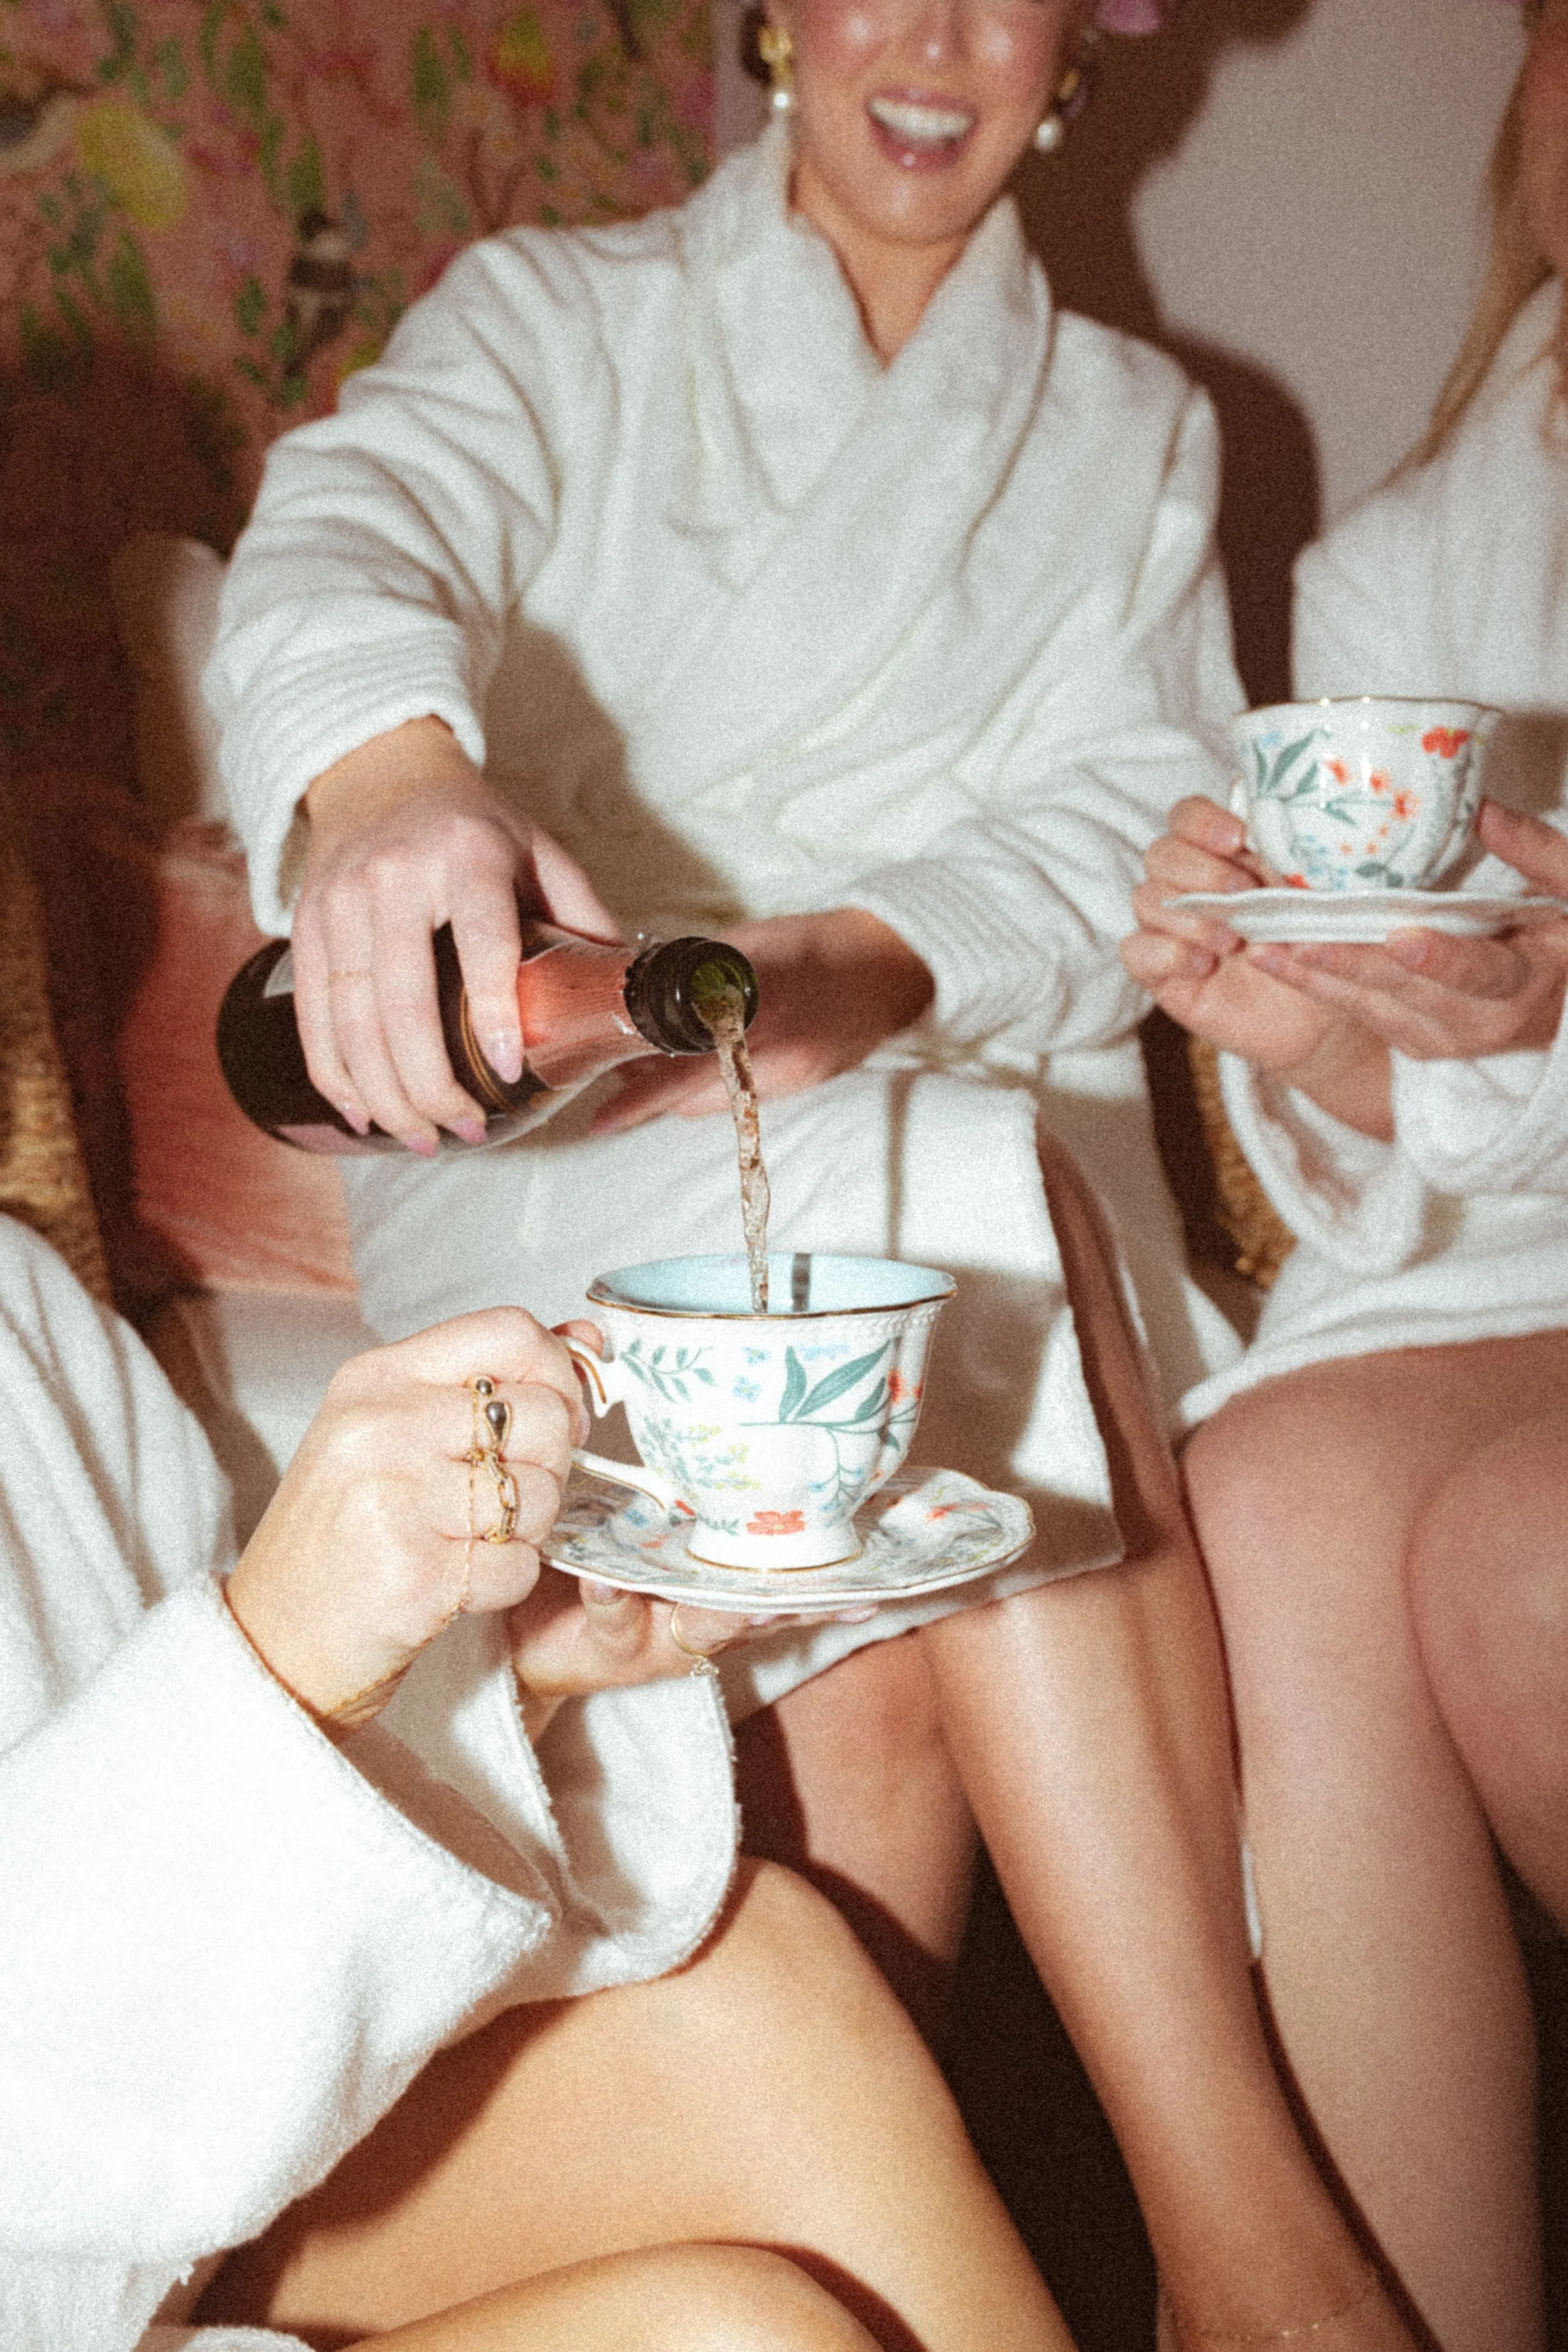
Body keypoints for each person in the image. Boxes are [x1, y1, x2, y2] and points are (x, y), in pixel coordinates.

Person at [204, 0, 1417, 2340]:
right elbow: (359, 520)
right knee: (933, 1204)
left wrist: (845, 967)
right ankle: (1254, 2249)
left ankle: (908, 2253)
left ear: (1093, 33)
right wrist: (386, 788)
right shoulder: (561, 317)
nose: (939, 31)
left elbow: (1112, 832)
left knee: (891, 1579)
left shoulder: (1142, 434)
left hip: (928, 1097)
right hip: (560, 1153)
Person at [0, 1206, 1073, 2352]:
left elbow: (192, 1911)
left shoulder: (23, 1303)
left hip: (111, 2228)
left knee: (762, 1969)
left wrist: (490, 1676)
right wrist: (281, 1663)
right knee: (730, 2341)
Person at [1123, 4, 1568, 2344]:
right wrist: (1312, 1034)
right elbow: (1434, 1126)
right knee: (1271, 1494)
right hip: (1522, 1255)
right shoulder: (1408, 561)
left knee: (1522, 1569)